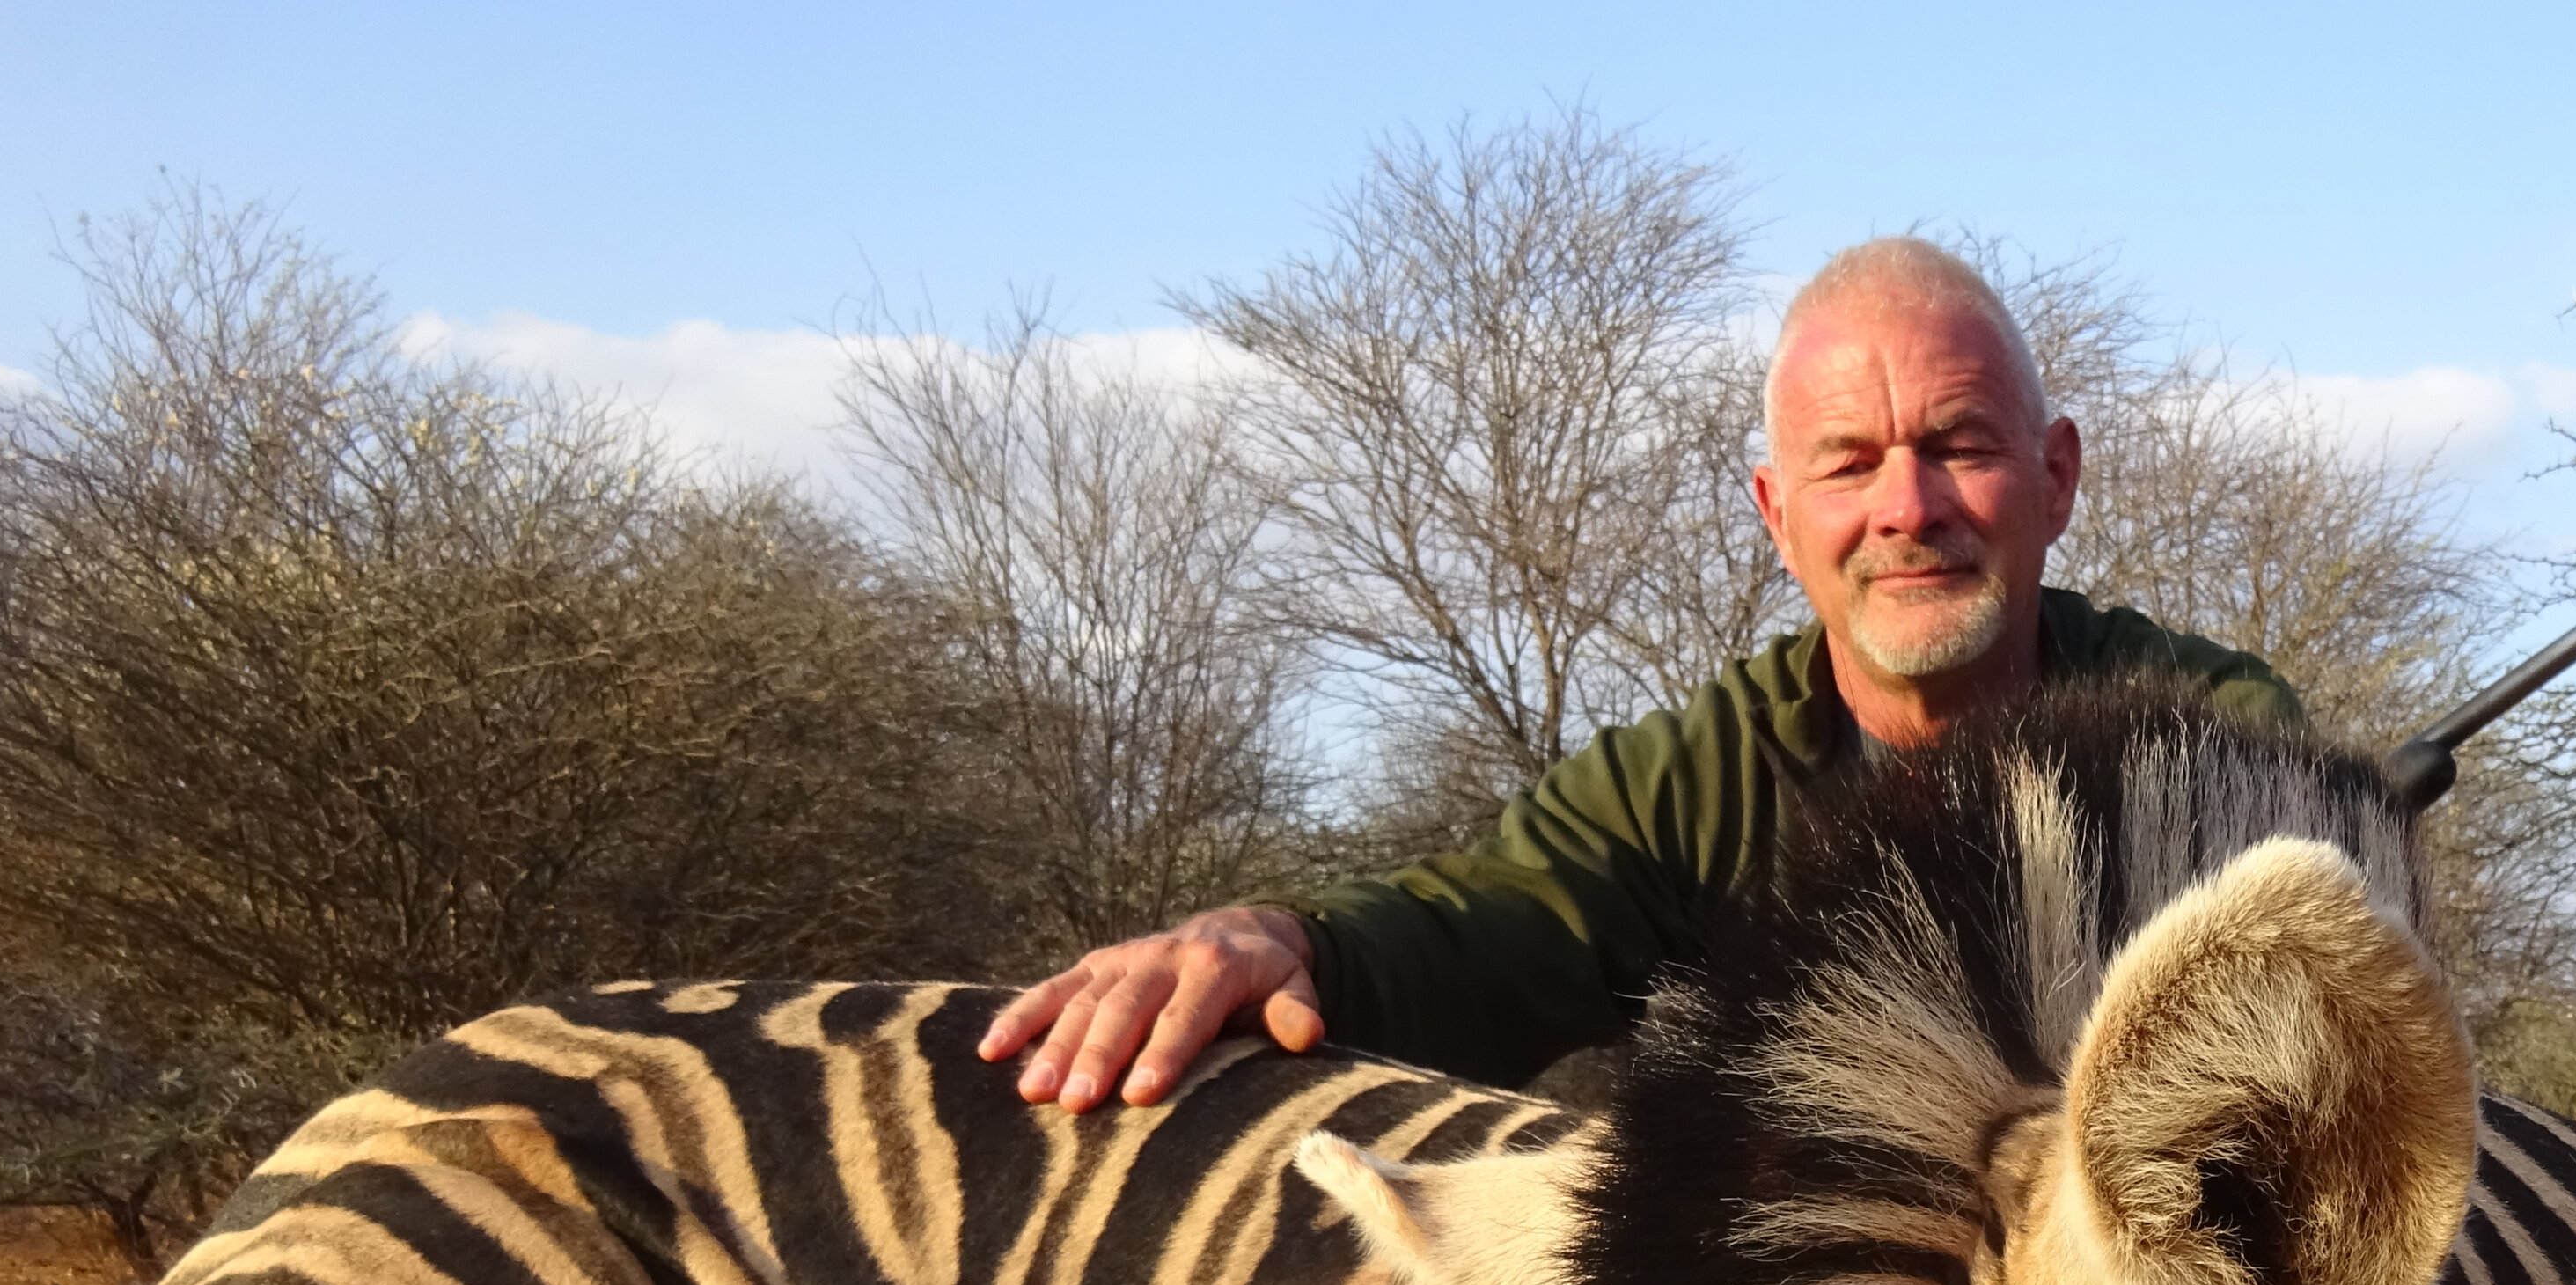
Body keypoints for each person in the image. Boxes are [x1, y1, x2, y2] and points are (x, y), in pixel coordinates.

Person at [979, 236, 2300, 1111]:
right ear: (1777, 515)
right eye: (1849, 463)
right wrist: (1281, 941)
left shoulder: (2216, 729)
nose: (1909, 505)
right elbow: (1490, 925)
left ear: (2055, 479)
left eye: (1959, 445)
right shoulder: (1693, 783)